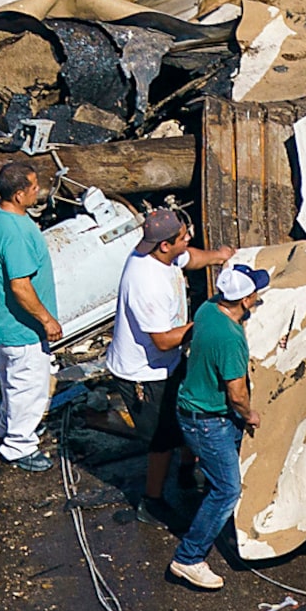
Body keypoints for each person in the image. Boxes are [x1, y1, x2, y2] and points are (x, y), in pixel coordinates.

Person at [105, 208, 232, 524]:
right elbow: (162, 340)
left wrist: (219, 255)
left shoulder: (166, 255)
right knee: (161, 438)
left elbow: (190, 257)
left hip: (169, 363)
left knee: (188, 412)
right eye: (183, 237)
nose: (188, 239)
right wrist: (206, 323)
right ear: (164, 244)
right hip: (143, 374)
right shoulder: (145, 282)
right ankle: (152, 501)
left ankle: (186, 473)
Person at [167, 262, 268, 591]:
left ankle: (213, 515)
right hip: (208, 421)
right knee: (226, 489)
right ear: (246, 300)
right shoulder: (230, 341)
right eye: (255, 292)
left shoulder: (210, 308)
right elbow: (236, 394)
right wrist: (250, 414)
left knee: (222, 476)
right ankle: (189, 557)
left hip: (195, 406)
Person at [0, 161, 64, 472]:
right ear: (18, 195)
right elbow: (20, 286)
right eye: (32, 187)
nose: (38, 190)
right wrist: (47, 320)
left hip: (5, 322)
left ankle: (8, 426)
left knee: (11, 381)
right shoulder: (14, 232)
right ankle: (19, 444)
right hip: (23, 327)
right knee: (29, 387)